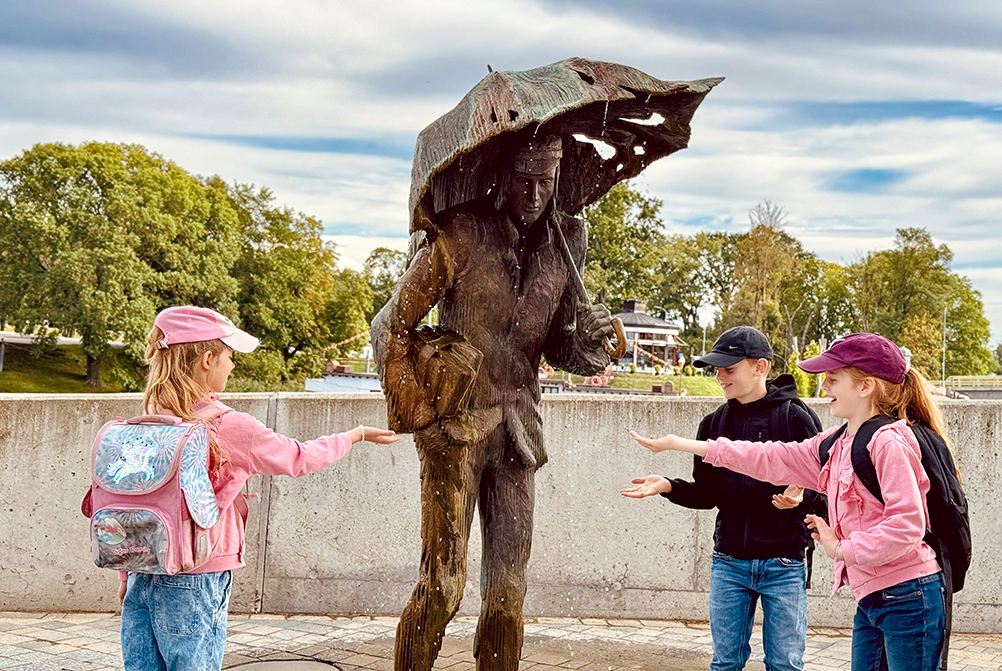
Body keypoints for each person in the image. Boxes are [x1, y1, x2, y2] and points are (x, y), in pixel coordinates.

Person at [372, 133, 614, 671]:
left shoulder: (568, 240)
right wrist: (418, 413)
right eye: (523, 180)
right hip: (453, 430)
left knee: (508, 595)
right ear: (503, 176)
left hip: (519, 435)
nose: (533, 194)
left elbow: (558, 348)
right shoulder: (460, 231)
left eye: (544, 183)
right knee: (443, 587)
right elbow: (390, 324)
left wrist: (592, 343)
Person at [627, 332, 950, 671]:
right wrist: (682, 444)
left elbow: (908, 525)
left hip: (909, 595)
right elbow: (768, 458)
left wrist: (841, 549)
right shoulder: (836, 442)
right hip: (873, 594)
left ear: (865, 386)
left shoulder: (887, 443)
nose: (824, 387)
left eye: (833, 378)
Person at [118, 305, 399, 671]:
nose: (232, 365)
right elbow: (299, 457)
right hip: (196, 576)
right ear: (206, 360)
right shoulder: (232, 427)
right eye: (229, 356)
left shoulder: (150, 417)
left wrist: (127, 574)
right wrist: (354, 435)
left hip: (144, 571)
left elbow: (133, 499)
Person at [622, 326, 823, 671]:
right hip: (729, 562)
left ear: (760, 367)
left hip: (785, 563)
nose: (719, 377)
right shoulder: (712, 423)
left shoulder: (795, 418)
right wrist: (668, 485)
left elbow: (825, 484)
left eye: (728, 369)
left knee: (785, 664)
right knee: (725, 663)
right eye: (716, 369)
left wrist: (801, 495)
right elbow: (707, 494)